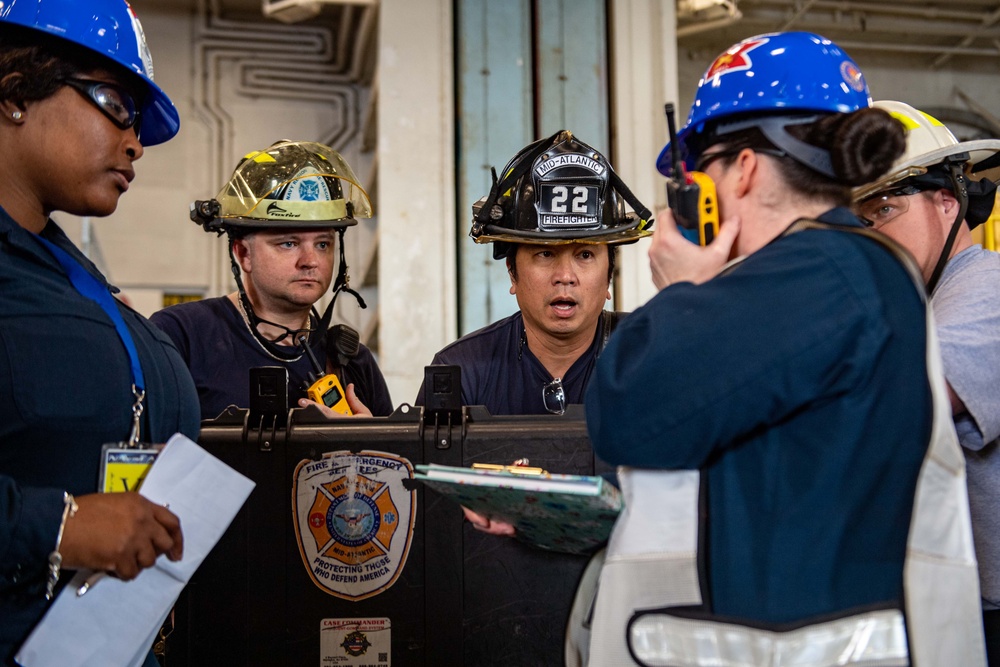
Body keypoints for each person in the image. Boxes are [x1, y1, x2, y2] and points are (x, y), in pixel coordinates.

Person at [583, 32, 984, 665]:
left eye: (700, 172)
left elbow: (627, 408)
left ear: (741, 169)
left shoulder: (821, 274)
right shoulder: (829, 276)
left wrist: (684, 291)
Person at [0, 0, 199, 664]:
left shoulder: (67, 270)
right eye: (115, 103)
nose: (135, 141)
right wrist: (55, 525)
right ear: (13, 91)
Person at [853, 100, 1000, 664]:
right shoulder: (918, 306)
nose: (872, 237)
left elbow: (902, 403)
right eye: (858, 222)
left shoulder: (985, 289)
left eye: (884, 210)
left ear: (947, 200)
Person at [152, 140, 393, 420]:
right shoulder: (182, 336)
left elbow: (402, 464)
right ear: (243, 254)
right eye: (288, 243)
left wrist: (366, 448)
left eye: (323, 244)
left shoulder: (352, 362)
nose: (310, 260)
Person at [417, 130, 652, 415]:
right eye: (545, 253)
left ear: (609, 277)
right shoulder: (461, 372)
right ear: (512, 272)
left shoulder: (651, 357)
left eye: (585, 255)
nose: (565, 276)